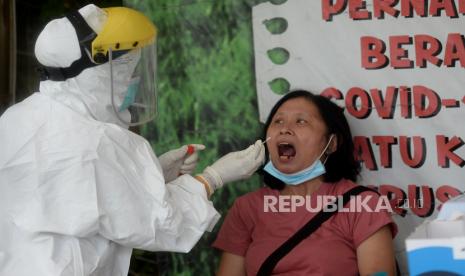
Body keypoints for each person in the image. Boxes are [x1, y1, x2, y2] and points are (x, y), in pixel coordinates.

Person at [0, 4, 265, 276]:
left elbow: (80, 197)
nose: (133, 81)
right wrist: (212, 178)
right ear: (98, 74)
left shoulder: (18, 118)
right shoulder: (97, 142)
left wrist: (152, 175)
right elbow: (162, 223)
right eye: (127, 71)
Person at [213, 90, 397, 275]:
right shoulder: (246, 208)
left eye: (301, 121)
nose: (285, 128)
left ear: (332, 143)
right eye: (278, 121)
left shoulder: (363, 205)